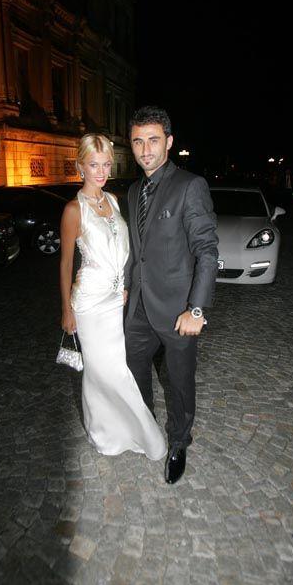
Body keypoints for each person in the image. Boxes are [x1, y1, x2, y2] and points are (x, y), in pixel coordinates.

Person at [124, 106, 219, 485]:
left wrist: (196, 309)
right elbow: (138, 251)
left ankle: (179, 441)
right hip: (139, 307)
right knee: (133, 369)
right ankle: (146, 425)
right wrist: (128, 289)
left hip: (179, 308)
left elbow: (207, 250)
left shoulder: (190, 186)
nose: (145, 149)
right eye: (137, 141)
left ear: (169, 142)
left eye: (153, 140)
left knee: (179, 382)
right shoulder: (133, 191)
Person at [60, 133, 167, 461]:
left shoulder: (114, 201)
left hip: (116, 301)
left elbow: (125, 249)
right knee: (102, 372)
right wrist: (66, 310)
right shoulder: (73, 210)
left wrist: (125, 285)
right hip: (89, 304)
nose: (102, 172)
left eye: (106, 164)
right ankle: (105, 432)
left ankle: (124, 427)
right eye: (94, 165)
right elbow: (65, 264)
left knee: (119, 366)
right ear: (80, 166)